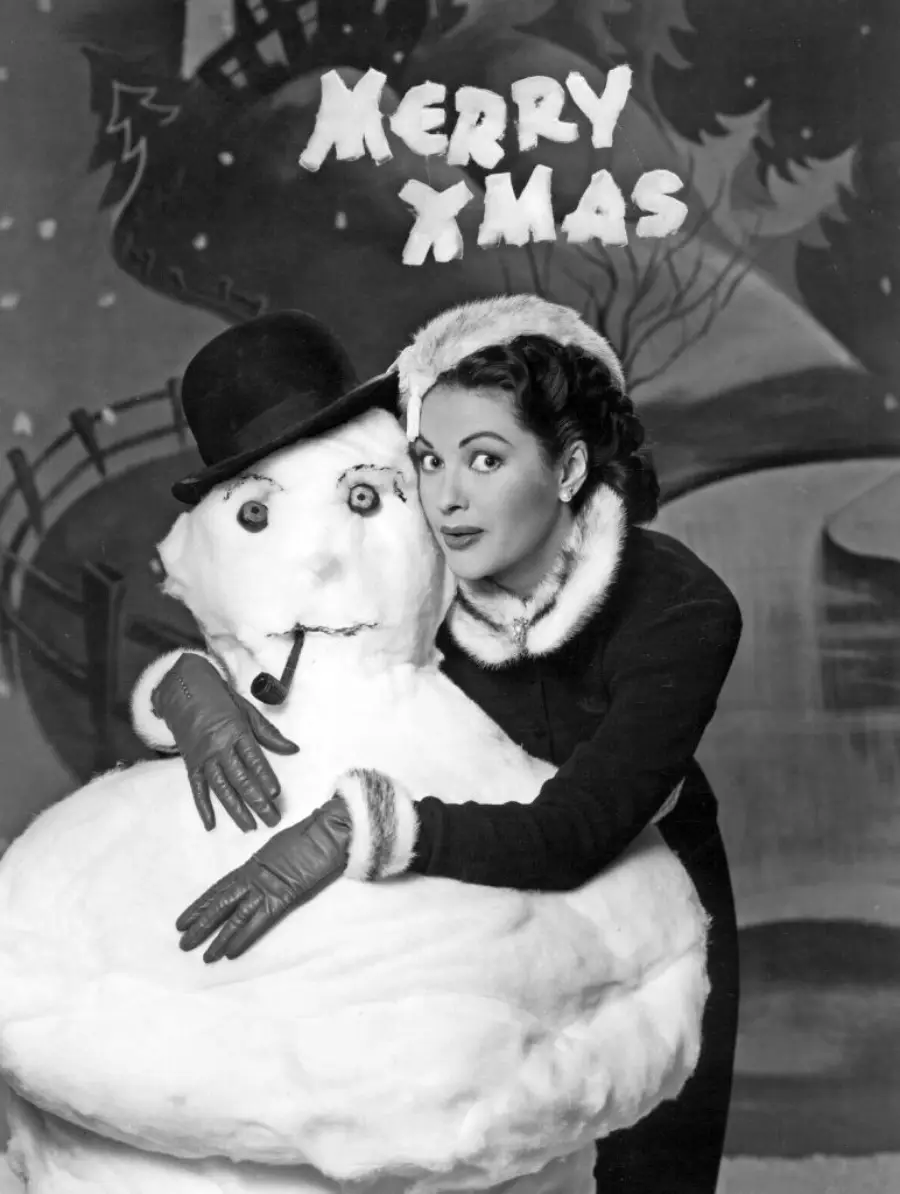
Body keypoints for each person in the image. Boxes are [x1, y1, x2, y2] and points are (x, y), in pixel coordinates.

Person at [139, 296, 742, 1194]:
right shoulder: (414, 553)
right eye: (427, 460)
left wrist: (363, 830)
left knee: (649, 1166)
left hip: (642, 900)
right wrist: (187, 687)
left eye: (486, 460)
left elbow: (577, 832)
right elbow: (279, 645)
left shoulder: (679, 609)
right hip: (457, 901)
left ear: (570, 465)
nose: (448, 496)